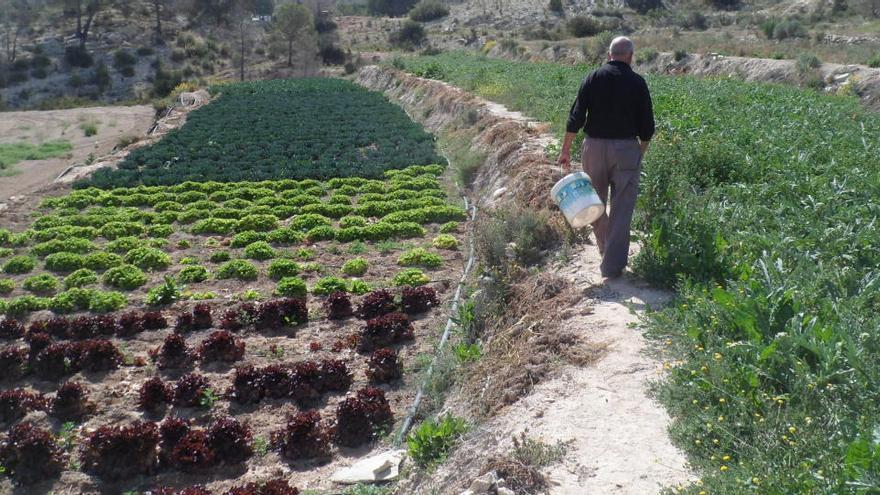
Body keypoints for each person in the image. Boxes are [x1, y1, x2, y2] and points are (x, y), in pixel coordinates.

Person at [557, 36, 655, 279]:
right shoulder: (638, 82)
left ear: (609, 55)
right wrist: (638, 154)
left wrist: (566, 149)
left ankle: (604, 250)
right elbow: (647, 128)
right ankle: (612, 265)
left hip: (594, 148)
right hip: (626, 150)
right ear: (631, 56)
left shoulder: (593, 77)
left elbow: (576, 117)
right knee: (622, 208)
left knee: (594, 202)